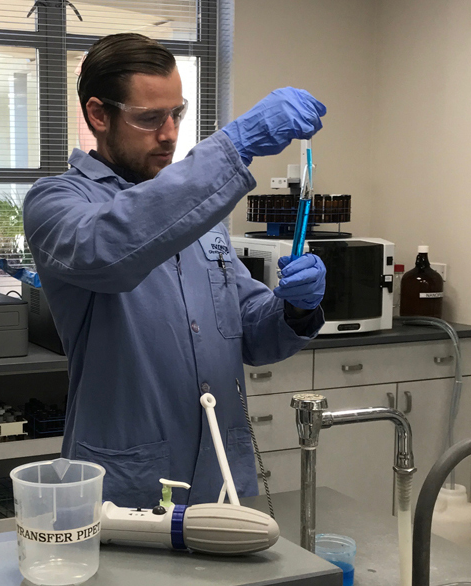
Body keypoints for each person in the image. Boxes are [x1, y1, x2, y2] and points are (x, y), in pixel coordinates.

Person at [23, 33, 327, 509]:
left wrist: (294, 308)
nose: (168, 134)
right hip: (127, 489)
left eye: (176, 114)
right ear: (98, 115)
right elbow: (111, 248)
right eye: (148, 118)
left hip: (222, 478)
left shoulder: (203, 213)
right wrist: (234, 145)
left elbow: (248, 331)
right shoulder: (58, 204)